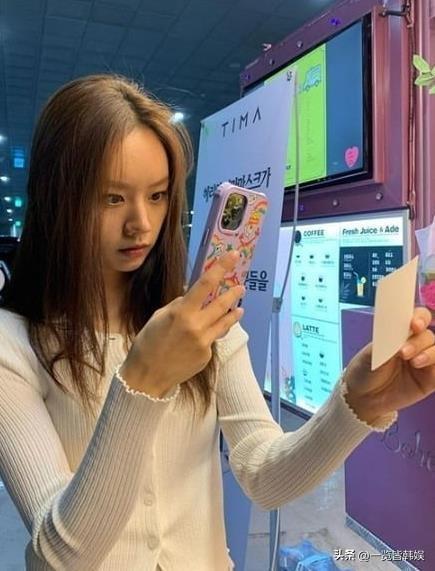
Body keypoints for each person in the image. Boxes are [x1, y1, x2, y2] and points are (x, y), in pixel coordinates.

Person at [0, 75, 434, 571]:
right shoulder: (14, 343)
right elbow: (57, 557)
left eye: (158, 195)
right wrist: (144, 381)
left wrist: (357, 404)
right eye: (112, 198)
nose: (141, 224)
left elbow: (264, 475)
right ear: (57, 199)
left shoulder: (203, 320)